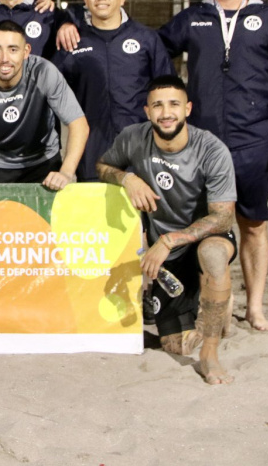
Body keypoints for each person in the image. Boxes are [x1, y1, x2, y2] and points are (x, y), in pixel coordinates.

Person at [158, 0, 268, 332]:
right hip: (203, 144)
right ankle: (212, 305)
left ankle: (255, 308)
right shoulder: (192, 18)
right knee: (205, 224)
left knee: (254, 226)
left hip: (255, 141)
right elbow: (152, 49)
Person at [97, 75, 238, 385]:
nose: (166, 112)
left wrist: (168, 239)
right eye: (158, 105)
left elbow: (224, 217)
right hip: (166, 259)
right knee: (174, 344)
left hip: (203, 237)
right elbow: (103, 166)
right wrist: (127, 179)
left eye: (174, 104)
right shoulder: (133, 138)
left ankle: (210, 354)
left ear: (187, 109)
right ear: (147, 111)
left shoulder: (212, 149)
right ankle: (216, 302)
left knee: (213, 254)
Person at [51, 0, 173, 182]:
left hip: (140, 148)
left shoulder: (146, 39)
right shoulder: (73, 41)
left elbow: (168, 92)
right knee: (95, 211)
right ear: (85, 0)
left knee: (139, 211)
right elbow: (50, 87)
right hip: (91, 149)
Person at [0, 20, 89, 187]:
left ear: (26, 51)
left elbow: (79, 124)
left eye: (13, 50)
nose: (4, 59)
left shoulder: (45, 72)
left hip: (43, 162)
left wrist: (66, 172)